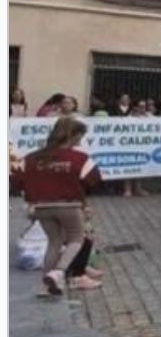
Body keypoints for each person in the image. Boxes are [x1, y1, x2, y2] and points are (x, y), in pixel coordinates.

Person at [21, 116, 104, 296]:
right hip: (69, 204)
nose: (80, 141)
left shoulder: (31, 158)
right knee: (77, 239)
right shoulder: (80, 158)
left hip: (41, 206)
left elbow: (18, 180)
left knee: (54, 242)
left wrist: (31, 199)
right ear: (73, 135)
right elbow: (94, 179)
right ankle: (59, 272)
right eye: (80, 136)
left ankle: (46, 286)